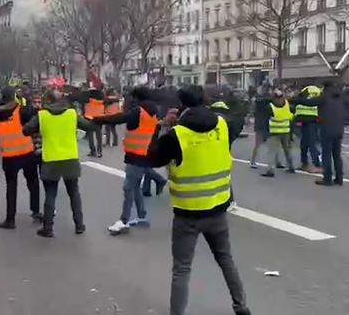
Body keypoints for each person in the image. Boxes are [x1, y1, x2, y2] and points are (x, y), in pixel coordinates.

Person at [148, 85, 251, 315]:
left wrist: (161, 125)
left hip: (188, 214)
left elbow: (151, 158)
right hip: (218, 209)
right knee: (226, 260)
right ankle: (241, 306)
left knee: (182, 269)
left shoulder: (177, 135)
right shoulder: (223, 125)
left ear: (180, 105)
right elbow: (238, 120)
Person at [22, 90, 96, 237]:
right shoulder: (72, 114)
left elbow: (26, 130)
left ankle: (48, 227)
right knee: (74, 193)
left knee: (50, 194)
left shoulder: (42, 115)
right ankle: (79, 224)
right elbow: (89, 126)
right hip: (70, 158)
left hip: (50, 159)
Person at [93, 86, 167, 235]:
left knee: (128, 187)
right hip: (144, 153)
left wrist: (99, 120)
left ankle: (124, 220)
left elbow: (120, 118)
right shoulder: (154, 110)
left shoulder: (138, 111)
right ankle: (141, 216)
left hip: (136, 155)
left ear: (136, 98)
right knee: (135, 186)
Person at [0, 87, 42, 229]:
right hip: (26, 151)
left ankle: (10, 219)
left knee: (11, 186)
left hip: (8, 154)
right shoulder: (21, 110)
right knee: (33, 182)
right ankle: (36, 210)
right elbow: (34, 118)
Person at [291, 81, 349, 186]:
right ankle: (339, 178)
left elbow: (310, 102)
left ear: (325, 87)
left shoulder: (325, 97)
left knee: (326, 154)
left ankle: (327, 179)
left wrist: (294, 100)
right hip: (339, 129)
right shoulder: (340, 97)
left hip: (326, 128)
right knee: (337, 155)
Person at [260, 89, 295, 177]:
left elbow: (265, 119)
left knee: (272, 151)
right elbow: (292, 116)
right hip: (285, 131)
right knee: (287, 149)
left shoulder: (270, 107)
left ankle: (270, 170)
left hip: (273, 132)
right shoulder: (287, 104)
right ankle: (291, 166)